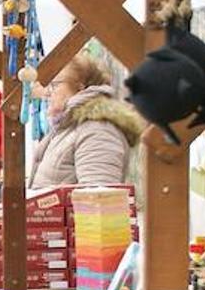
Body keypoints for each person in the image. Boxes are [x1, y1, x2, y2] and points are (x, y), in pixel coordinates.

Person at [30, 53, 142, 189]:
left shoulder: (98, 131)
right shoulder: (68, 129)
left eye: (55, 85)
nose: (47, 93)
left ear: (79, 86)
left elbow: (99, 200)